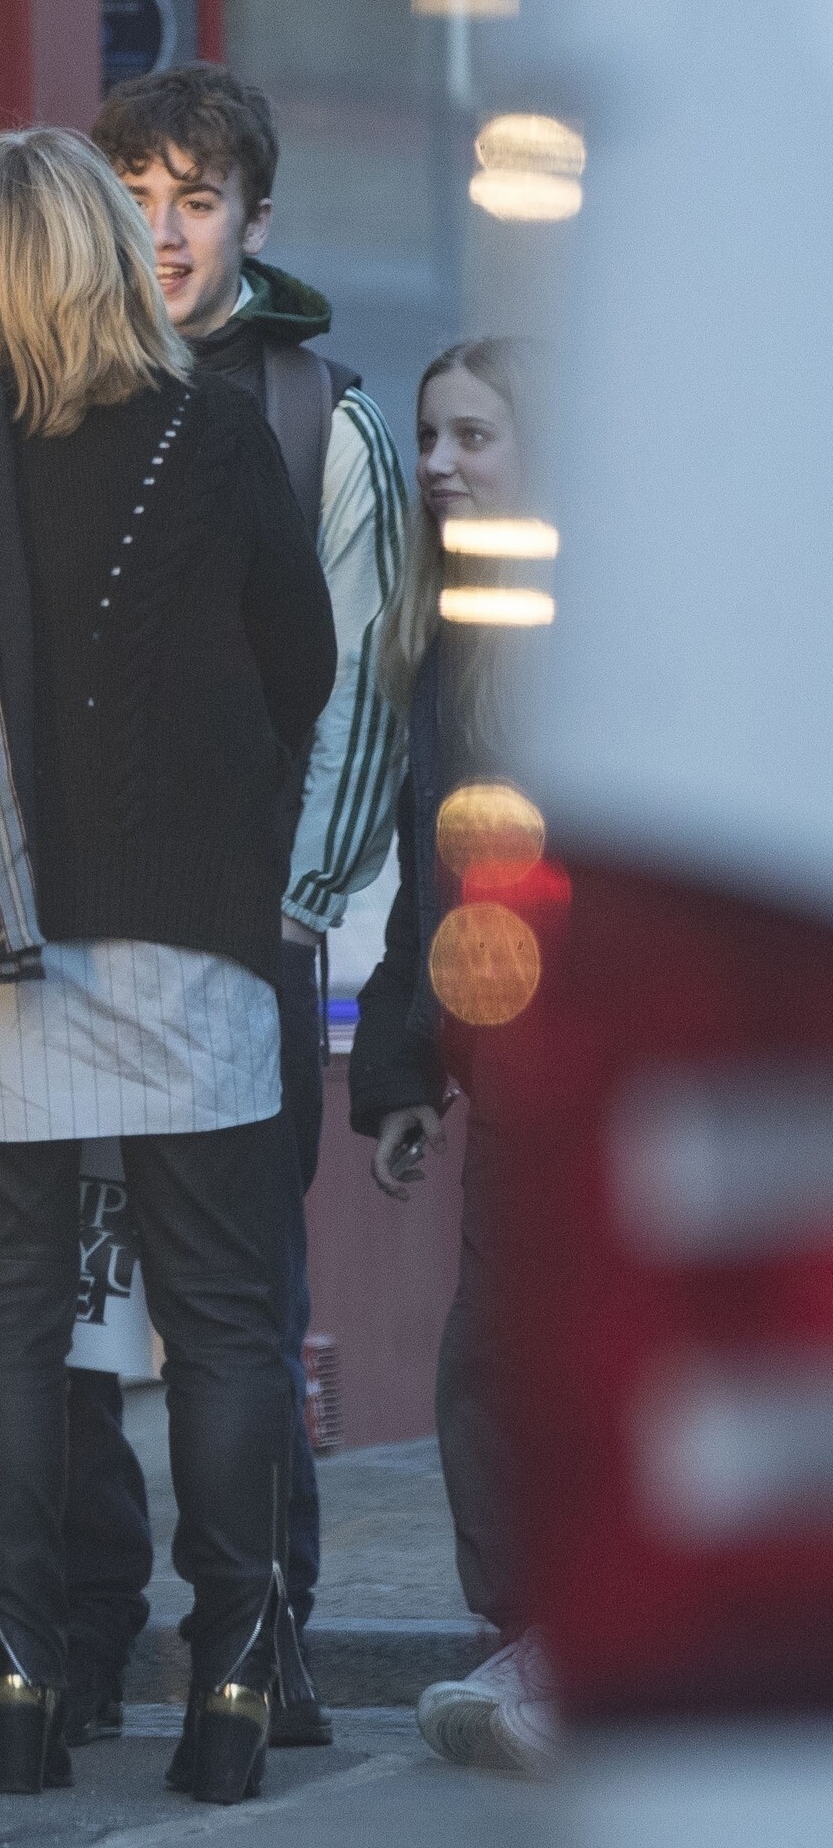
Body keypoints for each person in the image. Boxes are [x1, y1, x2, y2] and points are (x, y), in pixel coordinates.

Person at [0, 127, 336, 1800]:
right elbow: (303, 660)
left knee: (15, 1310)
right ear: (111, 250)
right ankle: (233, 1686)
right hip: (186, 931)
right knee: (225, 1321)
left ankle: (23, 1683)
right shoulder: (216, 431)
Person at [61, 62, 407, 1748]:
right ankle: (84, 1633)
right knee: (71, 1312)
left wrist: (290, 910)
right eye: (135, 195)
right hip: (68, 937)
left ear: (255, 220)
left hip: (246, 940)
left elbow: (360, 700)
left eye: (196, 200)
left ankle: (264, 1643)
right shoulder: (47, 390)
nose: (164, 231)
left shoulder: (318, 417)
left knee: (239, 1314)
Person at [348, 336, 555, 1775]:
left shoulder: (579, 624)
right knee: (493, 1359)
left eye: (472, 436)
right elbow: (432, 884)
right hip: (503, 1063)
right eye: (429, 436)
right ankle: (539, 1637)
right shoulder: (448, 626)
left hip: (588, 1058)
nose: (438, 464)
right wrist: (405, 1068)